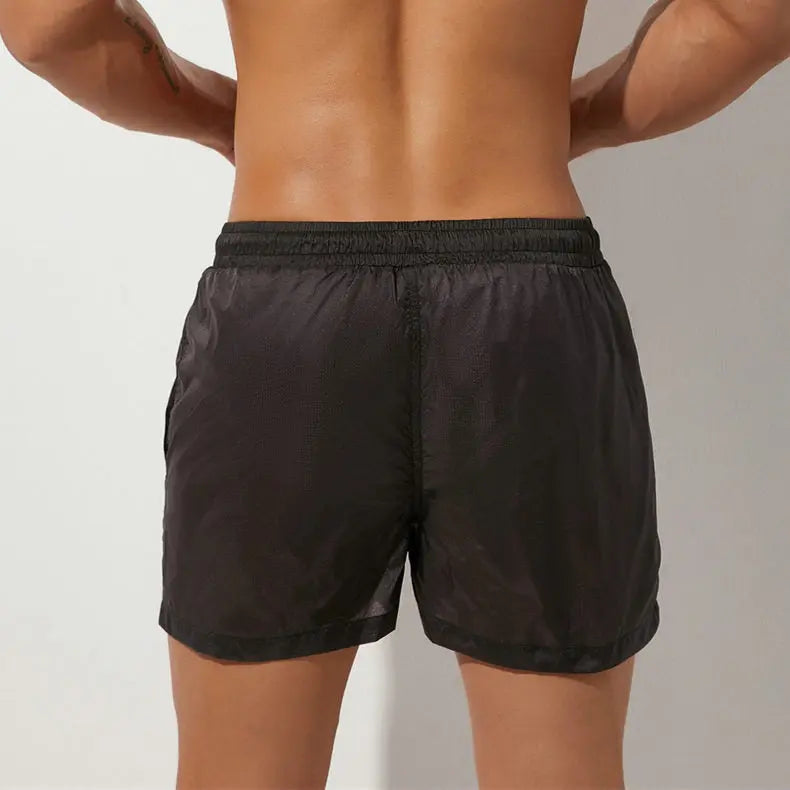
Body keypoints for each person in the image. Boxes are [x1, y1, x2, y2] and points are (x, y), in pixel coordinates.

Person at [2, 1, 787, 787]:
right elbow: (746, 16)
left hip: (285, 312)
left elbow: (46, 23)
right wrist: (565, 115)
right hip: (527, 305)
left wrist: (219, 116)